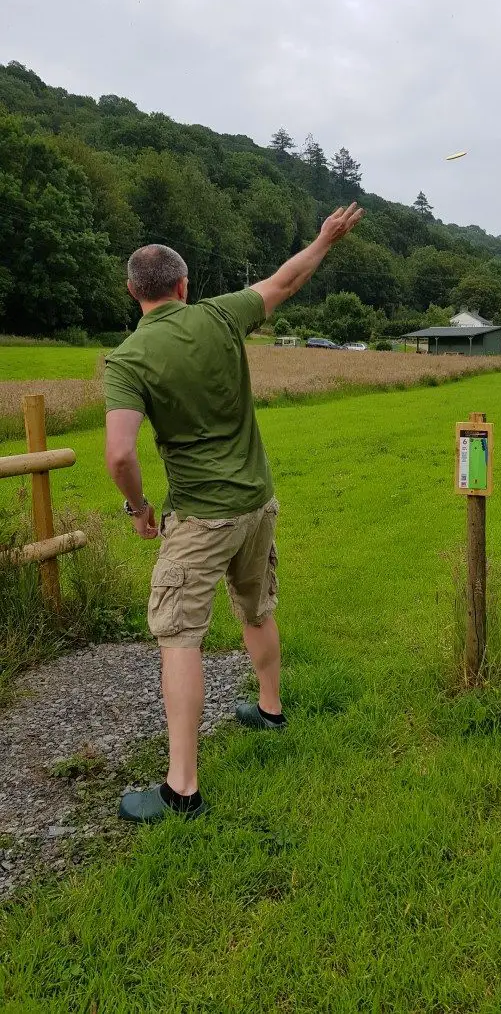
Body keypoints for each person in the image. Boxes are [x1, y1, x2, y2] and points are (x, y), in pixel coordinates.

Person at [104, 203, 364, 823]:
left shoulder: (127, 360)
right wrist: (325, 237)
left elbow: (119, 453)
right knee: (256, 607)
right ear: (184, 285)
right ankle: (270, 709)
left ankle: (182, 789)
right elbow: (286, 279)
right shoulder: (221, 315)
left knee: (179, 636)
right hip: (256, 502)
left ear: (132, 292)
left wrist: (140, 507)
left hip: (198, 518)